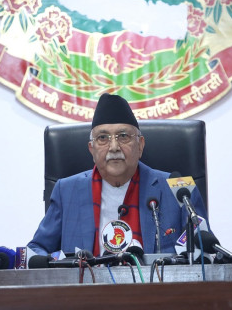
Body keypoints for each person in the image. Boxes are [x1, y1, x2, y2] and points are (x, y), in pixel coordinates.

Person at [27, 93, 209, 256]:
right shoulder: (66, 191)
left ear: (141, 145)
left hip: (157, 290)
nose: (114, 147)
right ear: (92, 149)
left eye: (123, 136)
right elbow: (37, 248)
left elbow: (204, 248)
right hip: (86, 291)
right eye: (103, 138)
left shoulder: (181, 188)